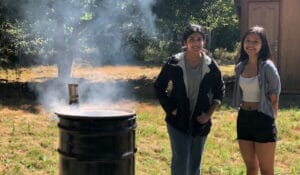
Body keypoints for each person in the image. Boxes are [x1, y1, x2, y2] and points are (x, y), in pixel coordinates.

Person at [154, 24, 225, 175]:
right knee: (180, 161)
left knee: (194, 163)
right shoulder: (173, 63)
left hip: (200, 121)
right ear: (185, 42)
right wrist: (171, 109)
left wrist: (208, 115)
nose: (196, 43)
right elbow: (159, 87)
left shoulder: (210, 65)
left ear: (204, 42)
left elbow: (220, 91)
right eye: (191, 39)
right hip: (178, 120)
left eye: (199, 39)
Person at [232, 26, 281, 175]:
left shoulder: (268, 67)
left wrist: (271, 120)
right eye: (248, 41)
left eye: (256, 41)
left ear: (262, 44)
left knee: (266, 170)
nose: (251, 45)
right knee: (251, 167)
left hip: (263, 118)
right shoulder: (240, 67)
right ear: (243, 43)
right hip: (244, 118)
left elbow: (274, 98)